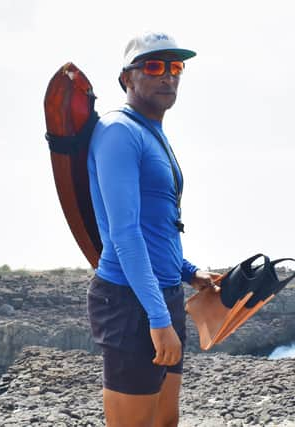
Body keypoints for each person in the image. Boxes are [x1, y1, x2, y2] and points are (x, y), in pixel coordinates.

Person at [86, 32, 220, 427]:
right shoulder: (119, 133)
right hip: (130, 302)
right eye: (154, 66)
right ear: (127, 78)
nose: (168, 77)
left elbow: (158, 224)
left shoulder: (151, 132)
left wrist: (189, 272)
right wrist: (158, 321)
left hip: (162, 292)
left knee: (165, 422)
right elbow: (125, 234)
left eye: (175, 67)